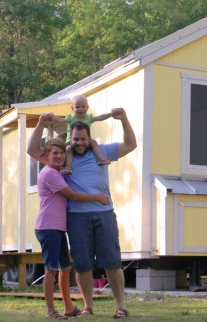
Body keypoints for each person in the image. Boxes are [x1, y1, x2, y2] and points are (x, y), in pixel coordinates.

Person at [27, 116, 110, 320]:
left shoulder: (58, 171)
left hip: (57, 228)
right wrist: (97, 197)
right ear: (46, 156)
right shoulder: (50, 174)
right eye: (54, 153)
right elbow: (71, 195)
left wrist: (91, 144)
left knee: (65, 268)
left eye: (62, 153)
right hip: (48, 227)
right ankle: (49, 310)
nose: (59, 156)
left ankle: (68, 307)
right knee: (51, 269)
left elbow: (81, 145)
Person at [63, 107, 137, 318]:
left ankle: (121, 306)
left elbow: (131, 145)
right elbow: (35, 152)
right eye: (76, 139)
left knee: (112, 262)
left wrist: (124, 119)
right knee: (83, 264)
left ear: (89, 138)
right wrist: (42, 124)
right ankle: (88, 307)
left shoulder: (102, 151)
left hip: (104, 213)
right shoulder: (64, 156)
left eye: (83, 139)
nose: (79, 142)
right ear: (71, 138)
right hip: (76, 217)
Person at [47, 95, 113, 174]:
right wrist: (52, 116)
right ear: (72, 108)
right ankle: (68, 167)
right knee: (68, 149)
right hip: (71, 141)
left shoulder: (89, 117)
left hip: (86, 140)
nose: (80, 109)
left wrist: (111, 114)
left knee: (94, 142)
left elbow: (100, 117)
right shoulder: (71, 118)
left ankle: (100, 158)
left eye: (83, 107)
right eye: (77, 107)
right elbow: (60, 119)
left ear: (87, 108)